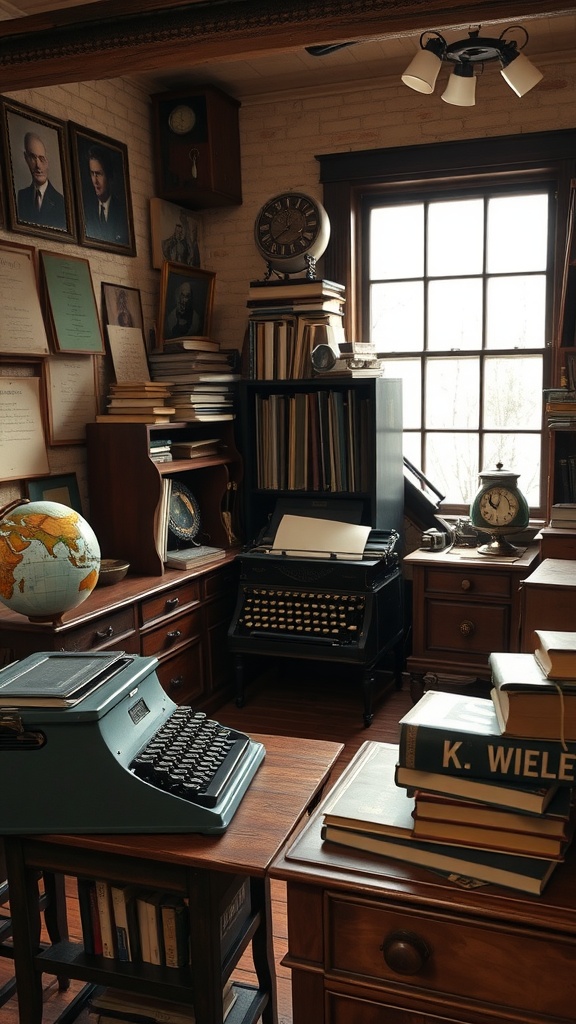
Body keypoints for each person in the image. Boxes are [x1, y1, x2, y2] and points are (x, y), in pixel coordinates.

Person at [17, 131, 67, 230]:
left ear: (47, 162)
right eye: (32, 157)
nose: (38, 165)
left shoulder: (60, 202)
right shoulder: (22, 196)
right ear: (26, 158)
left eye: (42, 158)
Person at [84, 144, 129, 245]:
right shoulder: (87, 211)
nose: (95, 181)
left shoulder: (122, 211)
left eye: (99, 174)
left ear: (109, 176)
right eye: (92, 174)